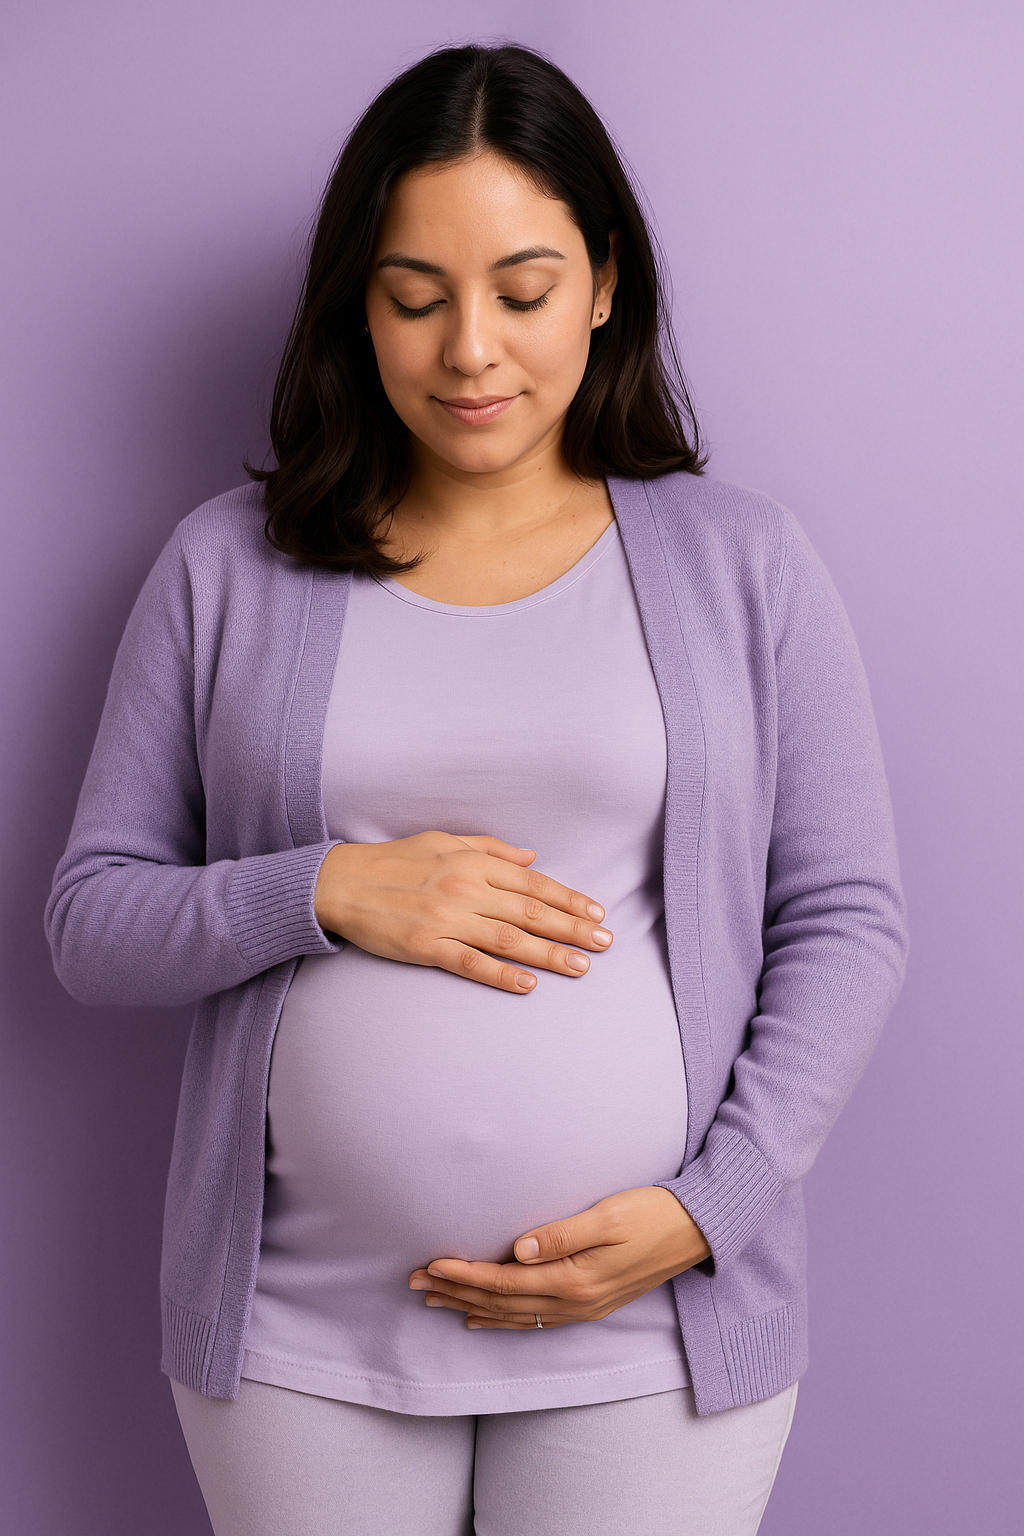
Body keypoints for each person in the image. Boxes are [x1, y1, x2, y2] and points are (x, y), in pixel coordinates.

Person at [45, 41, 908, 1536]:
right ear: (354, 300)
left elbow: (847, 918)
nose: (469, 354)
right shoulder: (224, 567)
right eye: (414, 295)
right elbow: (91, 924)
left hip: (653, 1333)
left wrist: (711, 1212)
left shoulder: (742, 562)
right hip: (297, 1345)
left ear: (604, 282)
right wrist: (317, 888)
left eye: (520, 291)